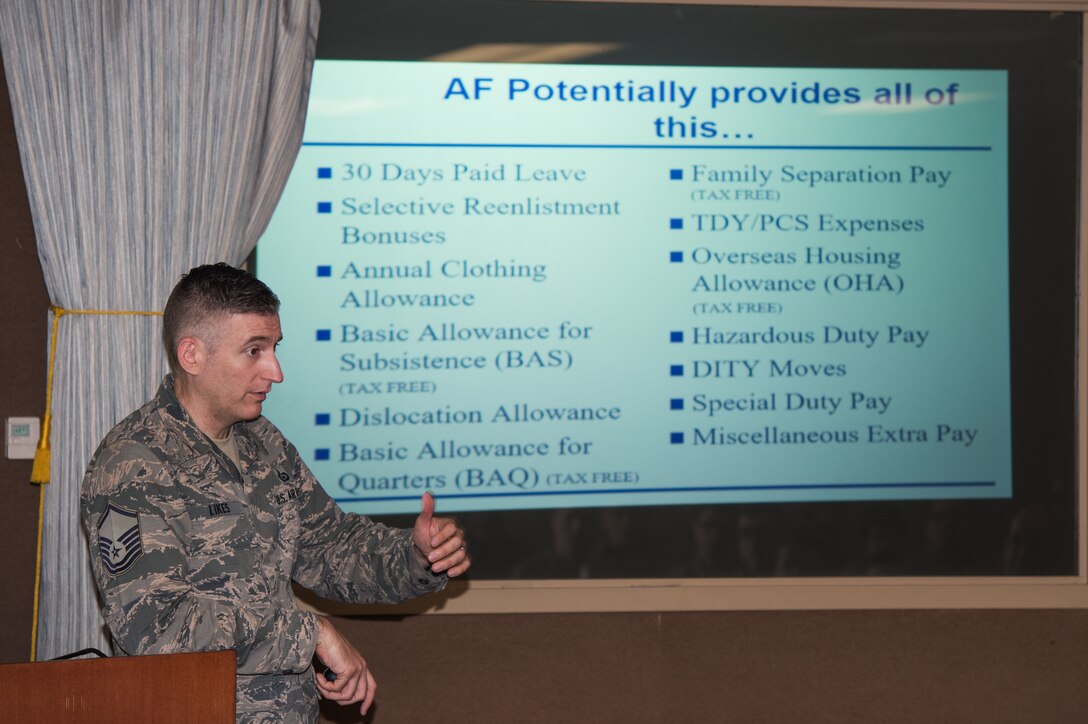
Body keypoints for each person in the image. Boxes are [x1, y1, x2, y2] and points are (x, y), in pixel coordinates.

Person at [80, 263, 470, 722]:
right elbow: (155, 626)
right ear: (192, 355)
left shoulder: (263, 443)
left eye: (274, 348)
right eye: (253, 351)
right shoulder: (132, 465)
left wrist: (417, 555)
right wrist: (313, 635)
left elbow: (330, 547)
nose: (276, 371)